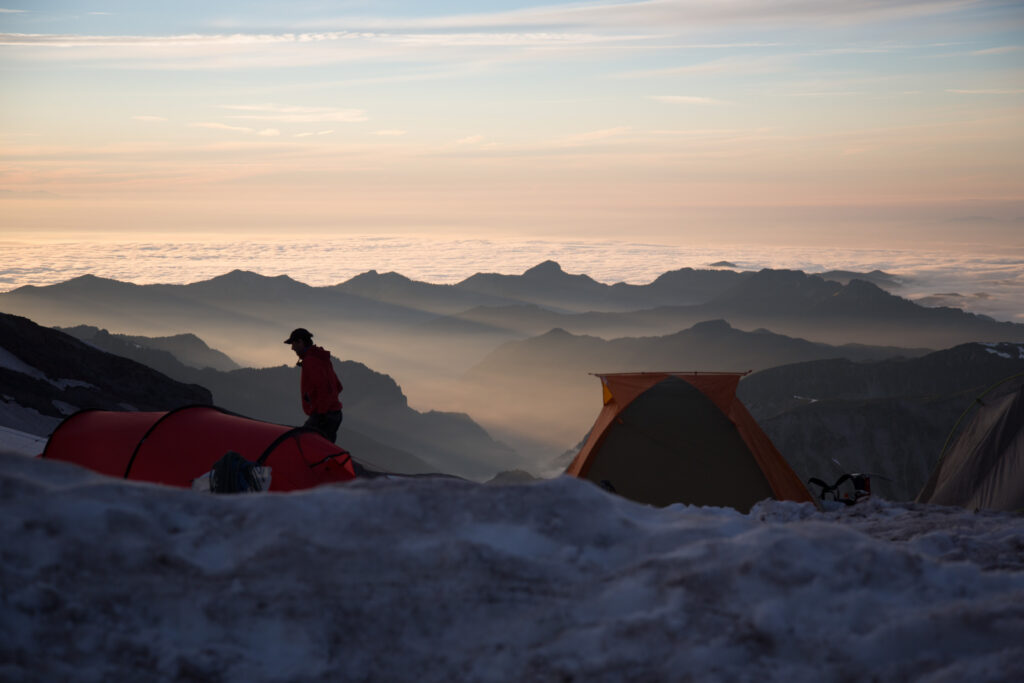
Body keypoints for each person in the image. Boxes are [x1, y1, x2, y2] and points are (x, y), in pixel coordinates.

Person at [284, 328, 343, 442]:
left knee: (305, 442)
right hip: (335, 413)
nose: (292, 348)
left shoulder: (311, 361)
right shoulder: (321, 359)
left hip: (324, 415)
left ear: (300, 342)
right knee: (324, 448)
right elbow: (338, 386)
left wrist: (321, 411)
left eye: (293, 344)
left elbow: (322, 387)